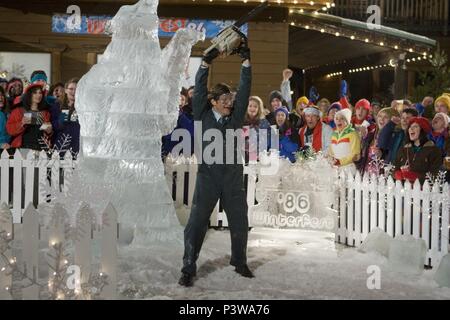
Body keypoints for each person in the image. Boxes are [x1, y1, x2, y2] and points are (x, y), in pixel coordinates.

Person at [179, 41, 253, 287]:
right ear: (213, 101)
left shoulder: (235, 116)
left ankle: (239, 261)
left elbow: (244, 91)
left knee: (240, 221)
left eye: (230, 98)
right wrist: (205, 63)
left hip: (232, 178)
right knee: (197, 223)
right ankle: (188, 266)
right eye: (224, 98)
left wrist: (245, 63)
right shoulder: (202, 114)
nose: (229, 101)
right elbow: (199, 89)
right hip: (208, 178)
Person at [6, 83, 52, 151]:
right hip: (22, 147)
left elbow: (47, 135)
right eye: (35, 93)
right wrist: (21, 123)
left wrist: (49, 131)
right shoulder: (18, 111)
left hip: (40, 148)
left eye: (40, 93)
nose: (38, 95)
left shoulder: (45, 113)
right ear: (29, 94)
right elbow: (9, 130)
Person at [394, 117, 441, 183]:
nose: (411, 129)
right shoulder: (403, 149)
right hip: (402, 189)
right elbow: (394, 167)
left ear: (423, 130)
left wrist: (415, 176)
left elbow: (435, 175)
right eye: (410, 127)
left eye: (415, 126)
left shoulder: (434, 150)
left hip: (422, 191)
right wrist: (396, 174)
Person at [329, 108, 361, 175]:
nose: (339, 121)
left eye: (342, 118)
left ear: (347, 121)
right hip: (336, 169)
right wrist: (330, 160)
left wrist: (340, 162)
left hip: (349, 169)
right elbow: (331, 152)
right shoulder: (334, 134)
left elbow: (355, 155)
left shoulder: (352, 133)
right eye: (337, 119)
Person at [55, 78, 80, 156]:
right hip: (61, 145)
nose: (73, 92)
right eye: (71, 89)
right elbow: (53, 125)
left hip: (77, 145)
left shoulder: (83, 107)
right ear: (66, 90)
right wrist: (60, 121)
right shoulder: (57, 105)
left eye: (76, 89)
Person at [243, 96, 270, 162]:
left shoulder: (264, 122)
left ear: (259, 109)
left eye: (255, 106)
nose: (252, 108)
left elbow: (267, 140)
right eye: (250, 106)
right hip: (244, 157)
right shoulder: (243, 122)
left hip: (259, 156)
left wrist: (260, 152)